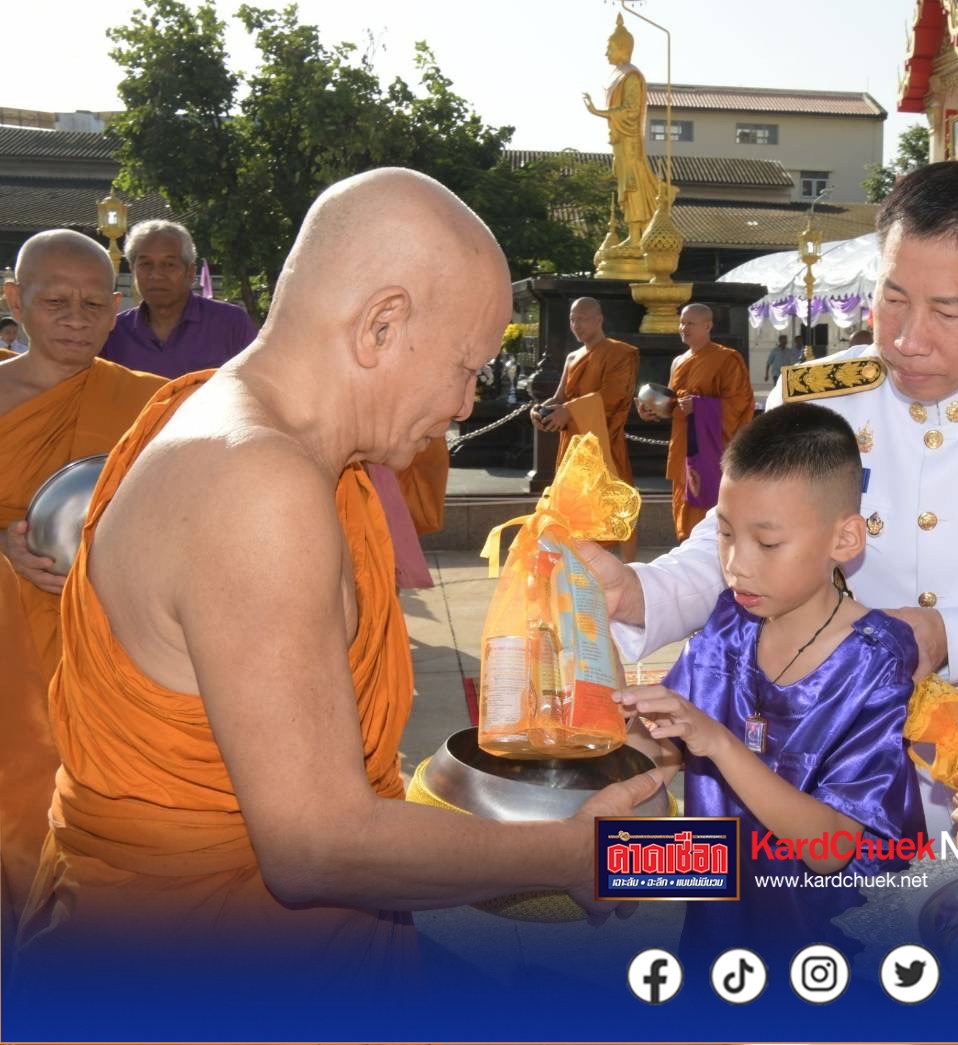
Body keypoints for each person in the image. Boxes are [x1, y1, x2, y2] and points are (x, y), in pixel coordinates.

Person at [11, 169, 666, 1000]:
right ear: (380, 325)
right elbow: (314, 845)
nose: (466, 404)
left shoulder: (218, 420)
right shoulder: (258, 486)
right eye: (465, 366)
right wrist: (572, 853)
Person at [591, 161, 958, 832]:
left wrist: (951, 636)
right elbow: (745, 539)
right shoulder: (817, 396)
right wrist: (642, 592)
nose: (908, 340)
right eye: (892, 299)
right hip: (823, 766)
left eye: (948, 310)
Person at [614, 402, 924, 964]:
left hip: (832, 935)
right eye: (725, 535)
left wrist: (718, 743)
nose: (737, 565)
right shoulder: (728, 626)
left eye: (768, 543)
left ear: (845, 539)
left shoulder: (876, 661)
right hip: (726, 913)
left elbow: (830, 849)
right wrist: (612, 731)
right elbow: (663, 750)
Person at [0, 229, 167, 962]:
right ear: (15, 301)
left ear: (116, 308)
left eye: (94, 304)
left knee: (89, 807)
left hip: (107, 641)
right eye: (55, 301)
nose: (75, 318)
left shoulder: (148, 402)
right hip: (9, 644)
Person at [532, 296, 640, 557]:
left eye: (582, 319)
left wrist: (569, 411)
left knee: (618, 505)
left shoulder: (620, 353)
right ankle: (579, 563)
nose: (576, 325)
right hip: (574, 446)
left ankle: (629, 566)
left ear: (598, 320)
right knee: (574, 506)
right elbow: (560, 397)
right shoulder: (572, 357)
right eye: (572, 319)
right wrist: (541, 409)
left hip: (605, 441)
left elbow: (614, 395)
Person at [637, 302, 753, 542]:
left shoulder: (726, 358)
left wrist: (701, 406)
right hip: (682, 446)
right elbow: (673, 404)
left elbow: (740, 403)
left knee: (710, 513)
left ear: (708, 326)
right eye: (682, 323)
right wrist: (652, 410)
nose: (684, 328)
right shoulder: (678, 361)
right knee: (683, 511)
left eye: (690, 323)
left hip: (709, 449)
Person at [99, 220, 258, 378]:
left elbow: (259, 383)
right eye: (146, 264)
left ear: (190, 272)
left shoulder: (231, 324)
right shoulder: (112, 333)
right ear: (133, 270)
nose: (156, 275)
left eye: (169, 264)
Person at [582, 14, 671, 249]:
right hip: (619, 140)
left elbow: (631, 109)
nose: (606, 53)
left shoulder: (631, 76)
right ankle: (633, 234)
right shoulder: (618, 75)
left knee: (633, 185)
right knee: (624, 186)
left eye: (609, 48)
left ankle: (637, 236)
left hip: (630, 140)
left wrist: (598, 111)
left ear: (622, 48)